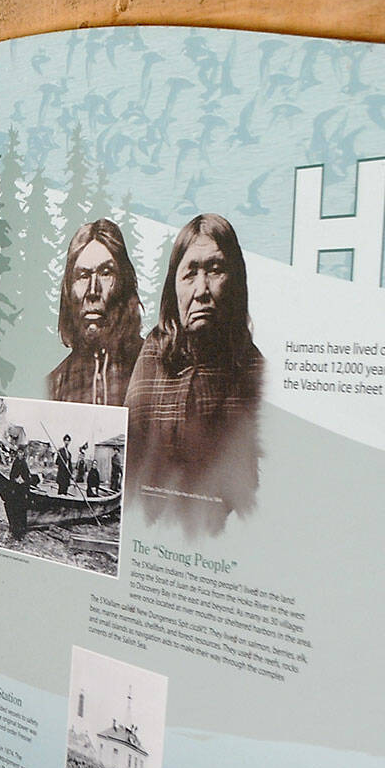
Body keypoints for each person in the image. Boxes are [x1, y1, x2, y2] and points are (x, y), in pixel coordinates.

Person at [126, 213, 265, 534]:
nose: (202, 290)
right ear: (174, 288)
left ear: (236, 281)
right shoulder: (152, 357)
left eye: (215, 270)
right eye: (190, 273)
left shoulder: (253, 370)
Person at [47, 218, 145, 407]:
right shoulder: (54, 385)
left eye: (106, 273)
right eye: (83, 276)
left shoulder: (154, 373)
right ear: (69, 289)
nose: (93, 291)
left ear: (124, 284)